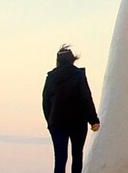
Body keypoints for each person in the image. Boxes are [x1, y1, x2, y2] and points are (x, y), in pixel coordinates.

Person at [43, 45, 101, 173]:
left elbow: (45, 101)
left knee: (60, 158)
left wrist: (50, 121)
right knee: (77, 155)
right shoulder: (78, 75)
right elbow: (86, 98)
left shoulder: (51, 77)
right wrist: (93, 120)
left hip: (57, 122)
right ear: (72, 60)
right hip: (78, 122)